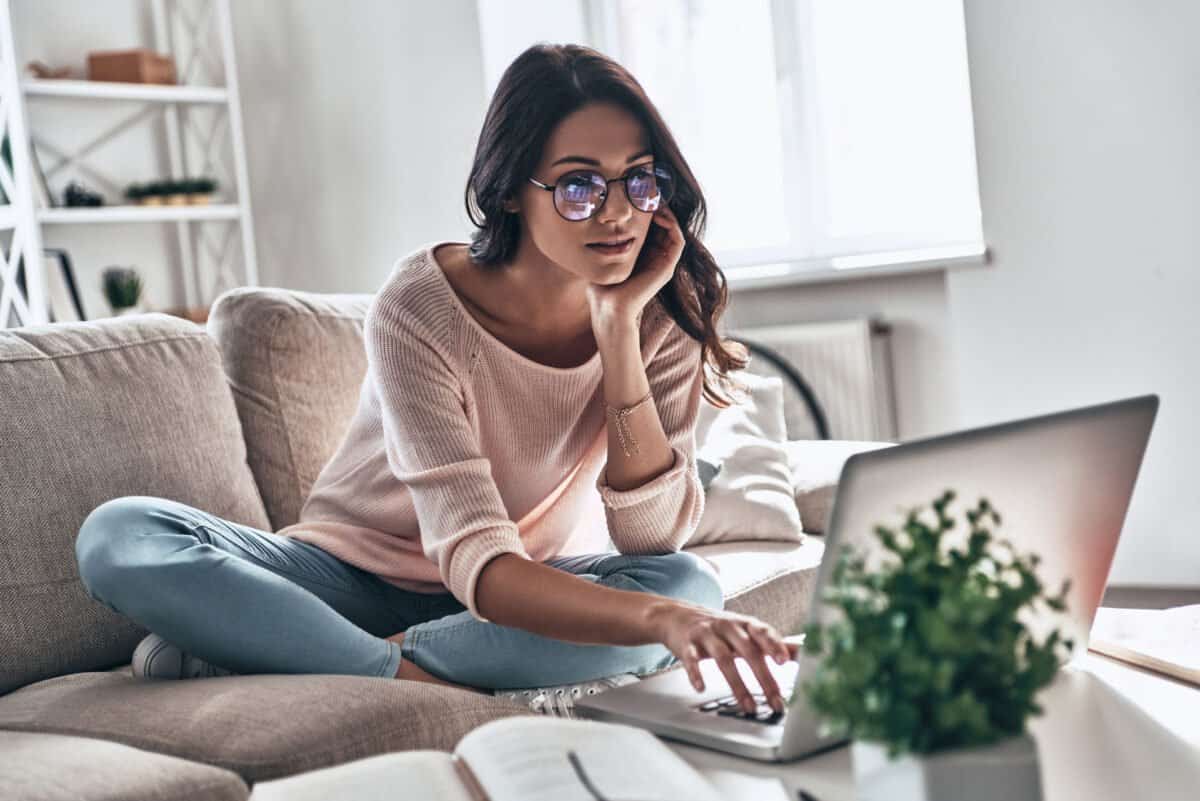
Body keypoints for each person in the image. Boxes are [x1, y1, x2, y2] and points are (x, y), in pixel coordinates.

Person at [74, 42, 799, 718]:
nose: (618, 213)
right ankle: (391, 672)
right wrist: (660, 626)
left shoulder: (660, 301)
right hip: (348, 581)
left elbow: (651, 537)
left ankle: (288, 653)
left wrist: (616, 333)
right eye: (580, 185)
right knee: (121, 534)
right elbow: (479, 563)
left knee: (686, 585)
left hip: (510, 597)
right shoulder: (420, 307)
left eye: (639, 180)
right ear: (512, 189)